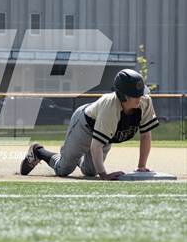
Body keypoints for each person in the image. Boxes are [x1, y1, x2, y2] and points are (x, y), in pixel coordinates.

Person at [20, 69, 159, 180]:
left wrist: (141, 166)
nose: (140, 98)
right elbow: (96, 145)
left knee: (90, 171)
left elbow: (146, 135)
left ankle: (77, 156)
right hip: (84, 125)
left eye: (141, 93)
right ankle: (38, 151)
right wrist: (104, 175)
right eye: (135, 95)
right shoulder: (110, 108)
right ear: (123, 96)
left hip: (101, 133)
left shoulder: (145, 102)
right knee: (63, 169)